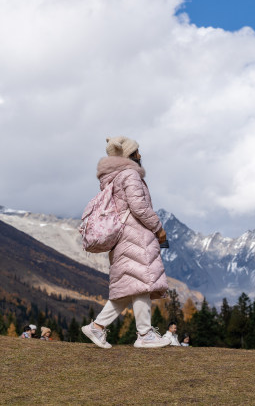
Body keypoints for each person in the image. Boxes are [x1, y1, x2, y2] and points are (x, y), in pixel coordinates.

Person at [82, 136, 171, 349]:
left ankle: (98, 327)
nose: (140, 155)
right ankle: (145, 335)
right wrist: (158, 228)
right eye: (137, 152)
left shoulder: (113, 177)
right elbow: (139, 206)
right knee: (141, 284)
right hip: (136, 235)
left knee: (131, 286)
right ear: (130, 155)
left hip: (123, 237)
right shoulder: (130, 174)